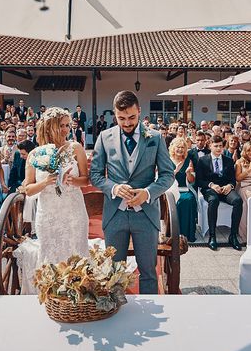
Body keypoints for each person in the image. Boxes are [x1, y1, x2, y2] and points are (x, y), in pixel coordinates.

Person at [90, 91, 174, 294]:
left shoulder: (155, 138)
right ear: (114, 115)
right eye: (121, 118)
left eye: (131, 117)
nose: (127, 123)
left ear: (139, 111)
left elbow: (167, 175)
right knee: (114, 274)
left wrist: (147, 192)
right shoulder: (104, 137)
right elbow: (95, 174)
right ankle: (117, 314)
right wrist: (114, 188)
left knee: (148, 271)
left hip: (145, 215)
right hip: (115, 215)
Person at [22, 107, 90, 279]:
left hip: (74, 212)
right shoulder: (35, 154)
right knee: (49, 257)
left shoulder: (76, 148)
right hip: (48, 215)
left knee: (76, 256)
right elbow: (28, 190)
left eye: (68, 125)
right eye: (61, 125)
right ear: (49, 127)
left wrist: (72, 181)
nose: (66, 130)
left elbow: (86, 180)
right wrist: (46, 182)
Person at [196, 135, 243, 251]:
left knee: (238, 201)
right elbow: (199, 181)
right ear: (210, 146)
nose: (218, 148)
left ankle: (233, 236)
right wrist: (211, 185)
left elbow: (233, 180)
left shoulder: (228, 160)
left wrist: (230, 186)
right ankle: (212, 236)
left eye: (220, 146)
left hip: (225, 189)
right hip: (210, 189)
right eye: (215, 146)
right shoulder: (202, 161)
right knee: (213, 200)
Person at [169, 137, 197, 242]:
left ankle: (186, 234)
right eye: (178, 147)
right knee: (175, 201)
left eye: (182, 147)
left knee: (188, 200)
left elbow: (192, 181)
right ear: (173, 148)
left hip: (185, 189)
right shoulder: (167, 160)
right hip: (170, 189)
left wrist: (189, 173)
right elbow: (164, 178)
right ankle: (173, 233)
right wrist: (175, 171)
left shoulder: (188, 161)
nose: (180, 149)